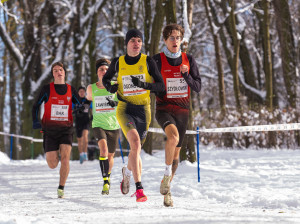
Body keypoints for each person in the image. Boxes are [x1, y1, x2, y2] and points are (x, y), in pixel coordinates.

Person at [102, 29, 165, 202]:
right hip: (124, 108)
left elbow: (161, 86)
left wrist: (144, 85)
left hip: (144, 110)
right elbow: (106, 80)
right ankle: (139, 189)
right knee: (135, 143)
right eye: (133, 40)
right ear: (127, 43)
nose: (136, 43)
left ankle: (127, 173)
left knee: (136, 149)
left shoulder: (148, 61)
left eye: (139, 40)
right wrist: (110, 87)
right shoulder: (118, 62)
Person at [152, 24, 201, 207]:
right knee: (172, 137)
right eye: (171, 38)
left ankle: (167, 190)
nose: (175, 41)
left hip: (182, 112)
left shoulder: (189, 59)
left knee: (176, 157)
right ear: (165, 40)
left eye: (178, 37)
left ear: (182, 40)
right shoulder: (156, 60)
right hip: (164, 109)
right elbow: (150, 85)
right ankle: (165, 175)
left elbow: (197, 87)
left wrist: (187, 75)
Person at [32, 61, 82, 199]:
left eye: (60, 69)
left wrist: (80, 109)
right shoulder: (47, 89)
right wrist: (36, 121)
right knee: (52, 164)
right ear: (53, 74)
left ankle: (61, 187)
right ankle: (57, 159)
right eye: (55, 70)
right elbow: (36, 105)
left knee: (66, 158)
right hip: (50, 131)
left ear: (64, 72)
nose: (58, 72)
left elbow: (80, 105)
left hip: (66, 130)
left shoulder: (71, 89)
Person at [86, 58, 120, 195]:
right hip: (98, 124)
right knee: (104, 150)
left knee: (110, 156)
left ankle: (108, 176)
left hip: (113, 125)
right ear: (97, 73)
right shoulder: (91, 88)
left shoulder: (116, 85)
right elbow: (88, 99)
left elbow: (123, 101)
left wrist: (115, 104)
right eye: (101, 69)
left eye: (106, 69)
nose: (104, 71)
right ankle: (105, 181)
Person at [73, 86, 91, 164]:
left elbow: (93, 108)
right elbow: (70, 110)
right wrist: (74, 111)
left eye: (83, 91)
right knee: (79, 139)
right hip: (78, 121)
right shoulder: (74, 101)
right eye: (80, 91)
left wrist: (93, 117)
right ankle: (81, 155)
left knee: (85, 137)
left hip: (86, 120)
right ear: (78, 93)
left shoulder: (88, 100)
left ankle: (85, 154)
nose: (82, 93)